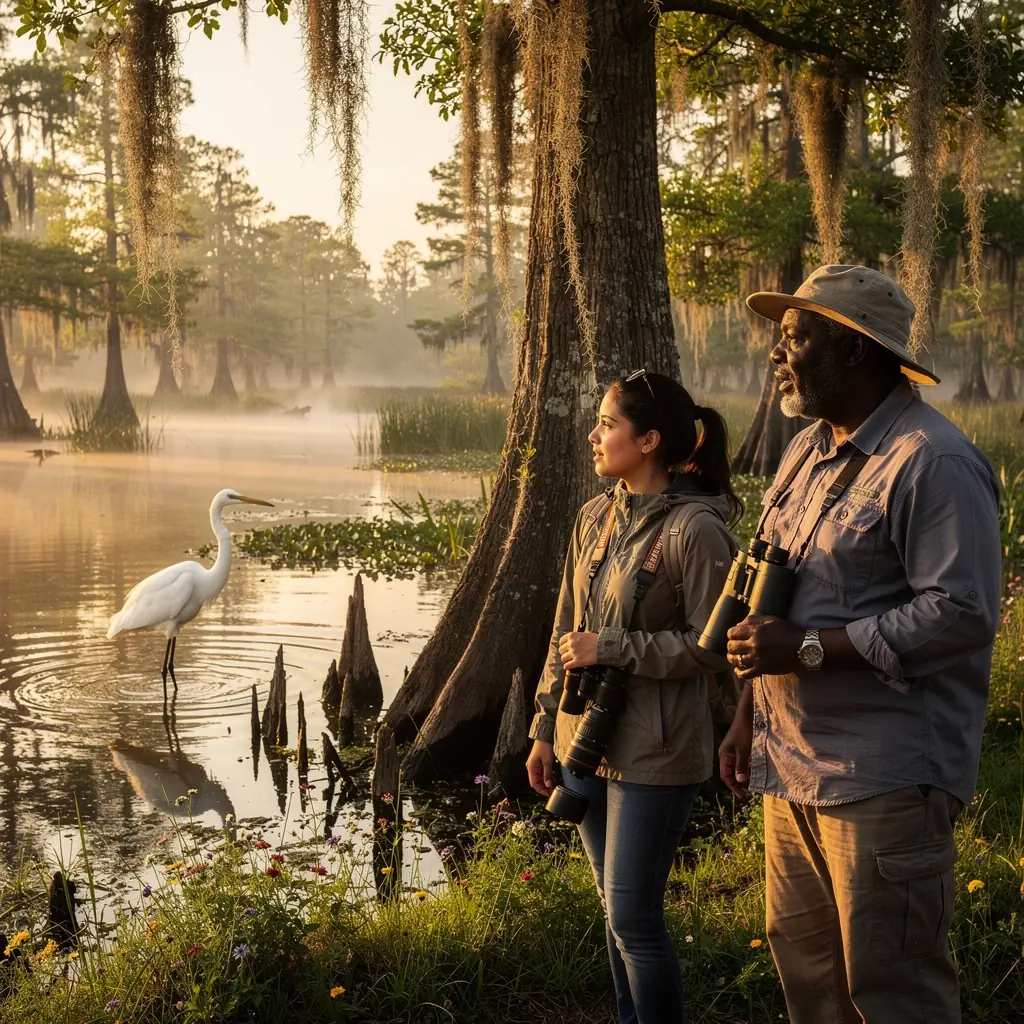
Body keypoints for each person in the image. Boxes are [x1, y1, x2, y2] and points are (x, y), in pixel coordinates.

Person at [719, 265, 1002, 1024]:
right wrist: (748, 711)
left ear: (854, 350)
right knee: (811, 988)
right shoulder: (805, 452)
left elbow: (963, 612)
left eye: (794, 337)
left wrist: (808, 649)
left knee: (893, 992)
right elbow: (778, 598)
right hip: (790, 766)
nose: (778, 356)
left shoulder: (931, 461)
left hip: (882, 782)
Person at [526, 370, 741, 1024]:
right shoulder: (596, 515)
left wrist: (614, 648)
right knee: (614, 915)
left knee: (635, 920)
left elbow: (712, 648)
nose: (594, 435)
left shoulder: (696, 531)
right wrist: (543, 728)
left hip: (658, 750)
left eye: (608, 424)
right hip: (585, 743)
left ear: (648, 440)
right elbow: (566, 625)